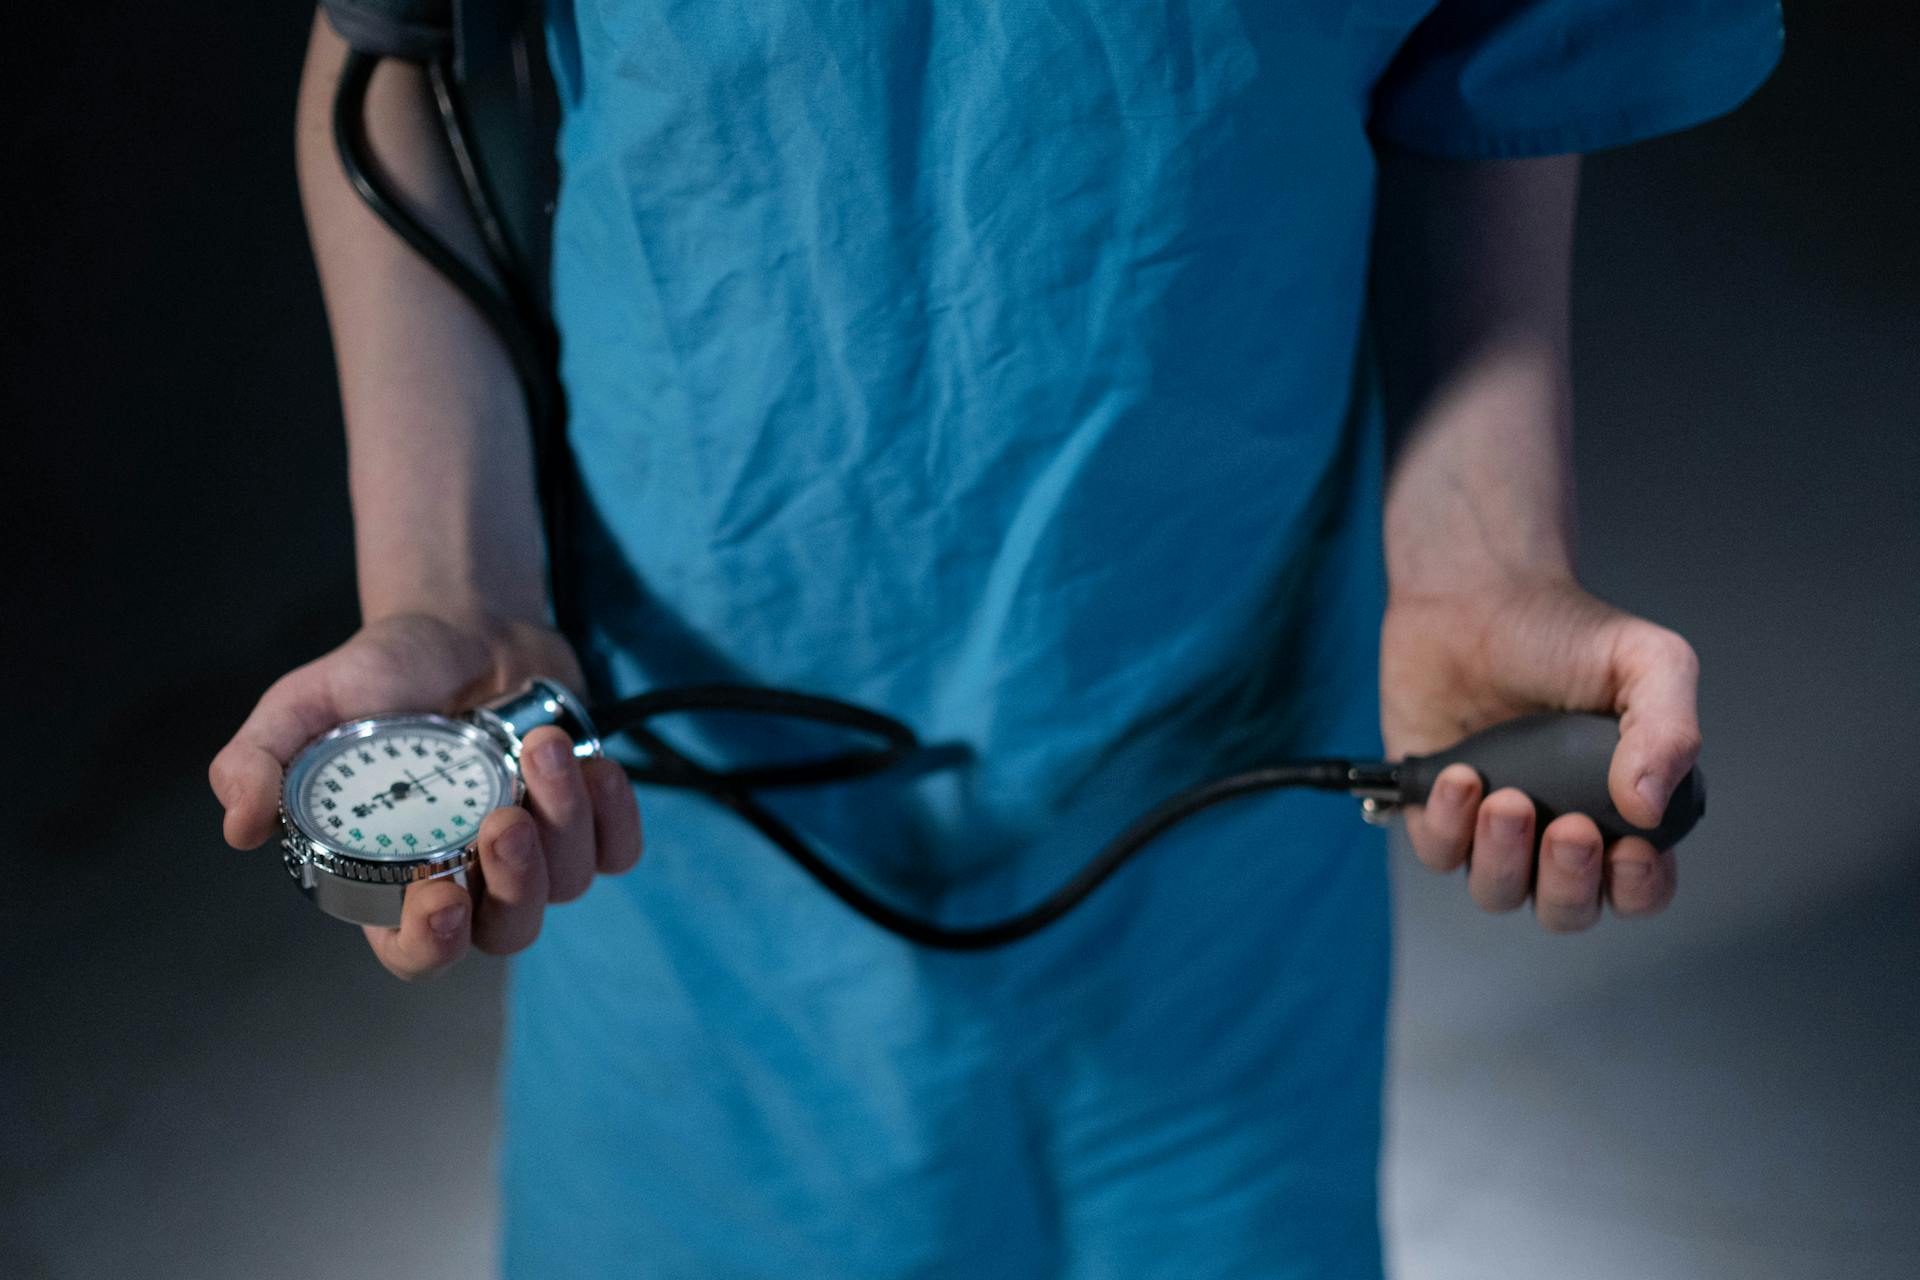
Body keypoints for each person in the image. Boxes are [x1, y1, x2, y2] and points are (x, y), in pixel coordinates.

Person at [211, 2, 1783, 1275]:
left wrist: (1479, 556)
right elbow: (394, 68)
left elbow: (1484, 77)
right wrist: (452, 589)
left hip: (1225, 809)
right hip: (672, 846)